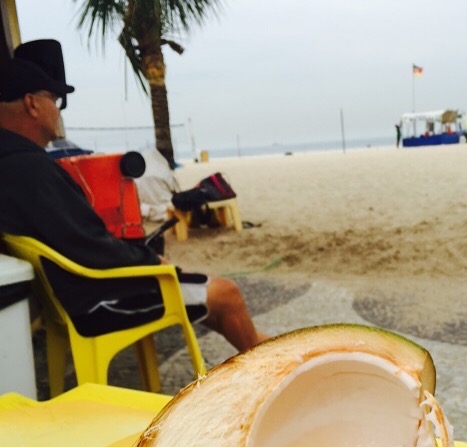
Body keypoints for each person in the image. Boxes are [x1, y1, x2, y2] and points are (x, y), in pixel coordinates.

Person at [0, 58, 267, 352]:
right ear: (32, 104)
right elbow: (91, 247)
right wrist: (152, 262)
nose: (59, 110)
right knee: (227, 295)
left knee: (215, 301)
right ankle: (266, 367)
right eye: (55, 99)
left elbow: (76, 240)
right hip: (101, 301)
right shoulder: (33, 169)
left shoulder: (10, 164)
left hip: (73, 297)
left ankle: (266, 351)